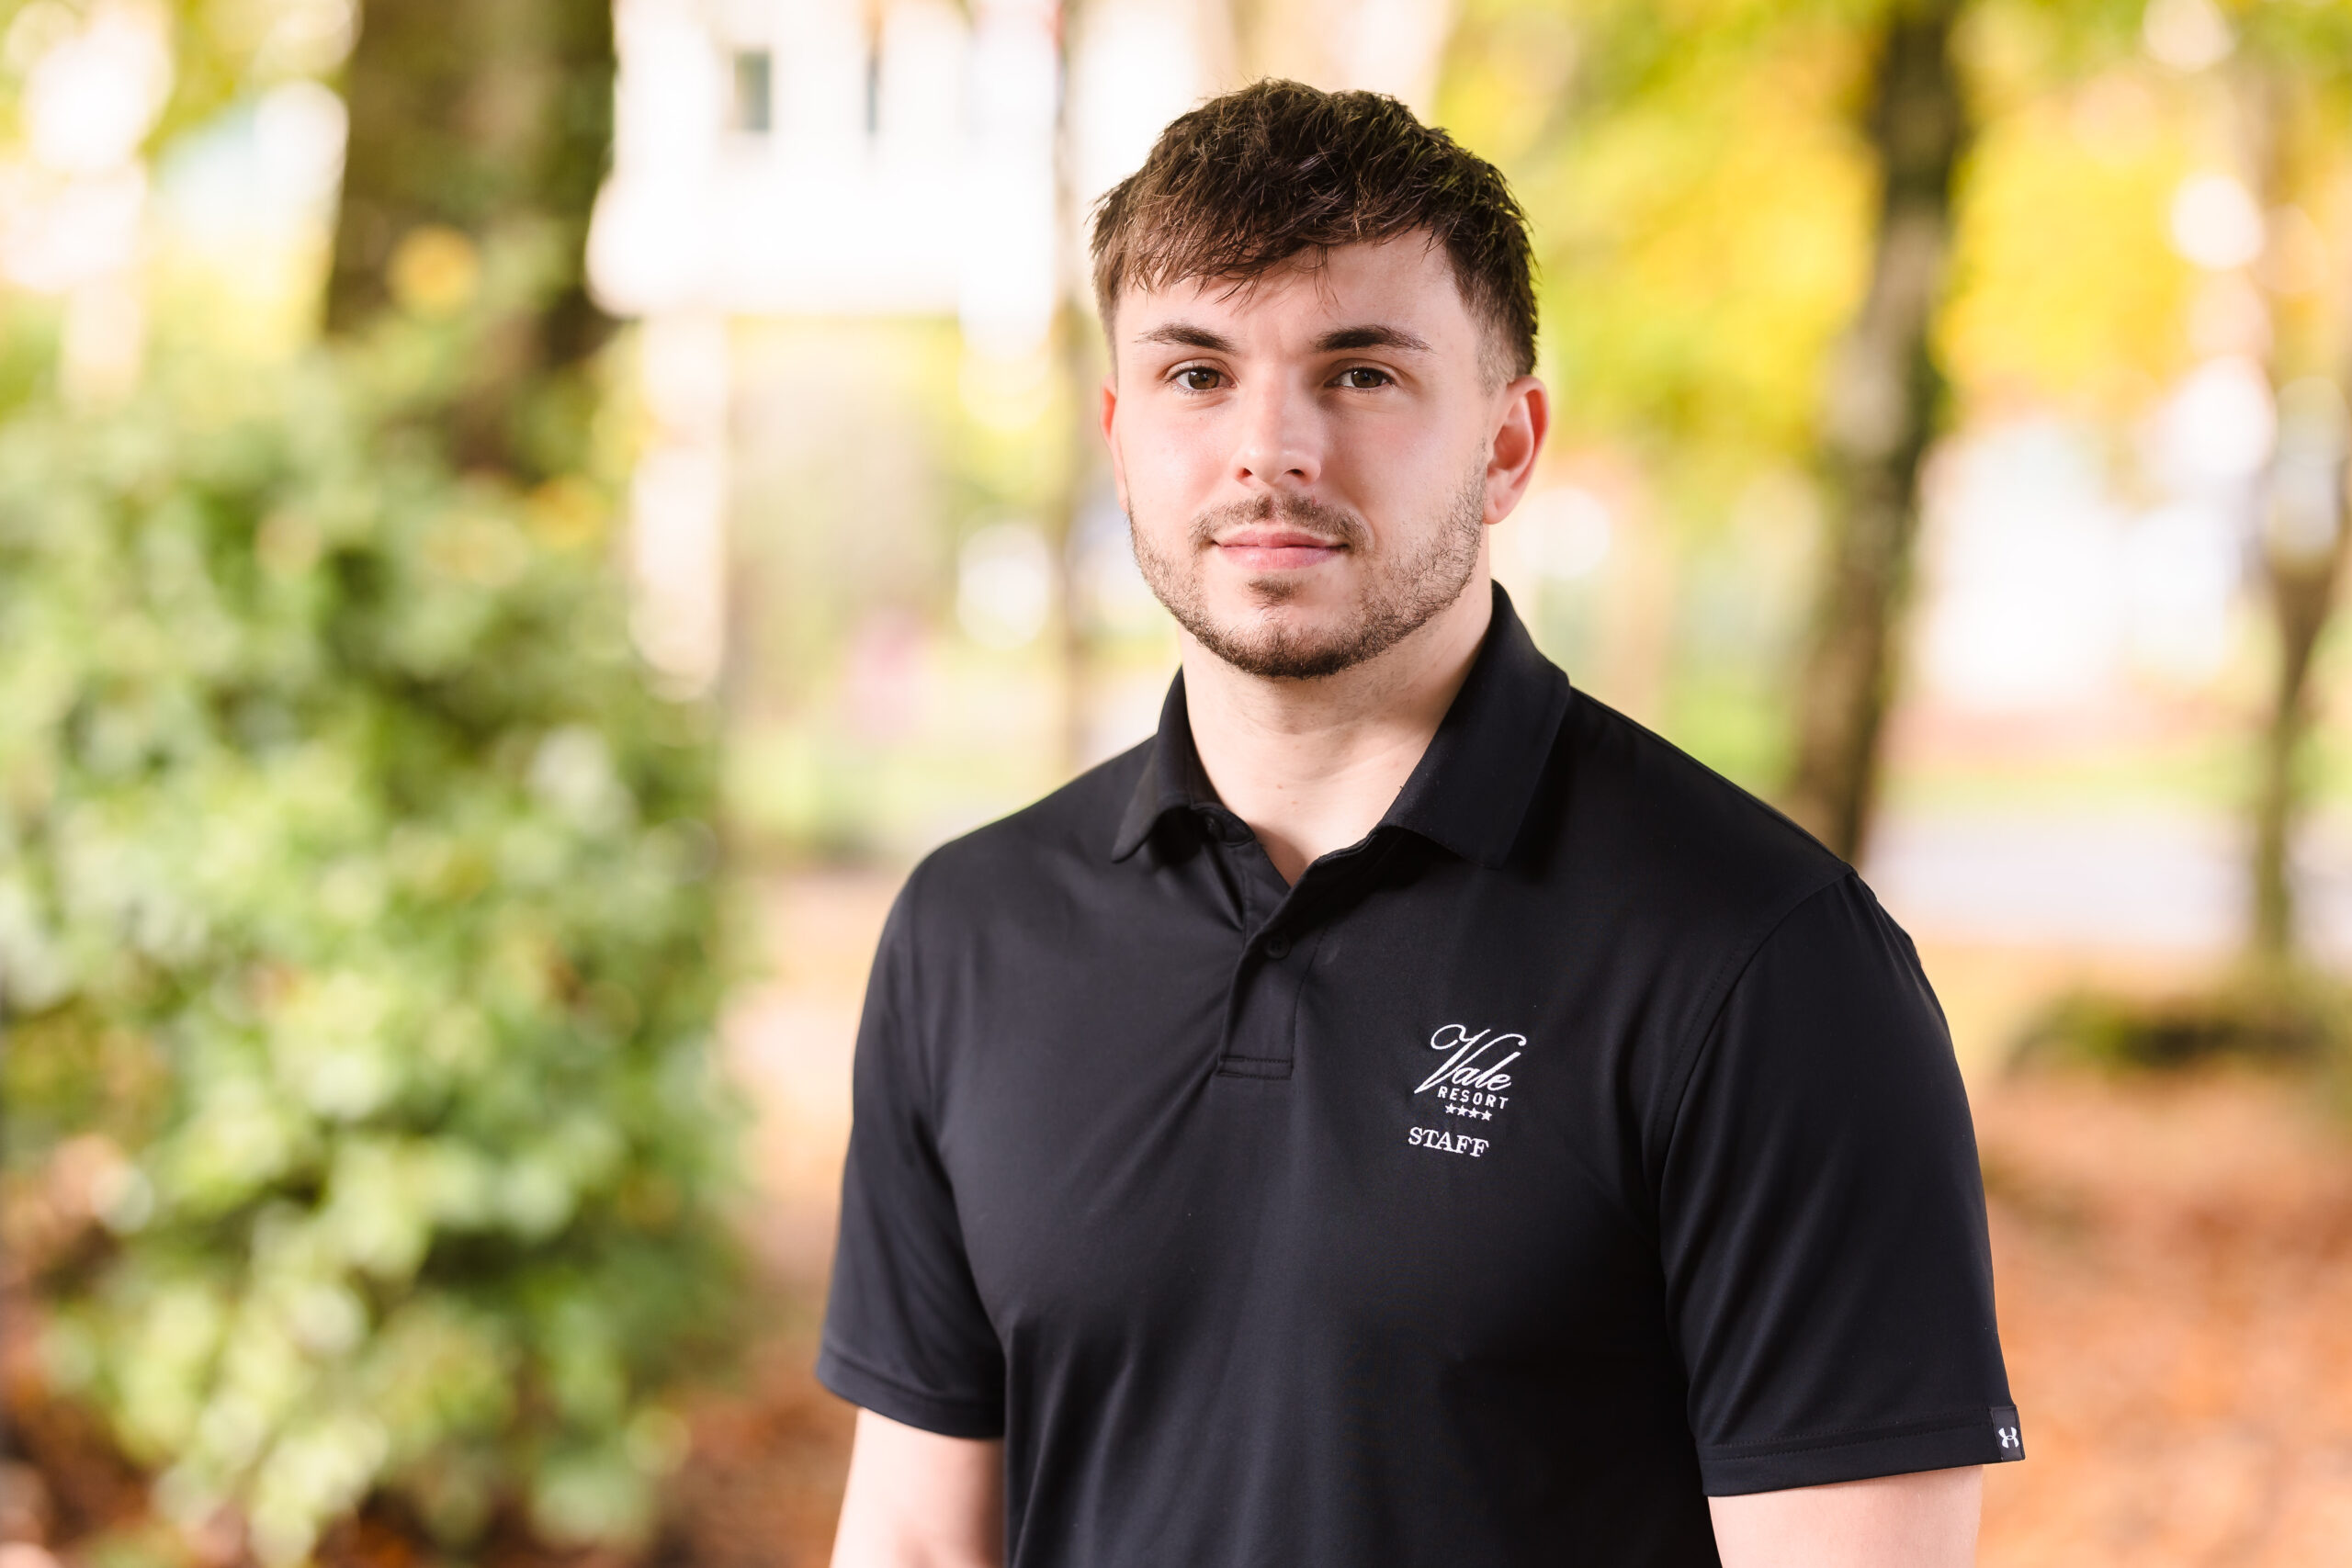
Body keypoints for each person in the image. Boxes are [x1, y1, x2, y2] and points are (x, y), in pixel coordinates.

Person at [818, 79, 2022, 1568]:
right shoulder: (969, 935)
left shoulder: (1764, 964)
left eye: (1363, 373)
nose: (1272, 450)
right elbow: (923, 1544)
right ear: (1121, 434)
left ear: (1509, 445)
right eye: (1199, 375)